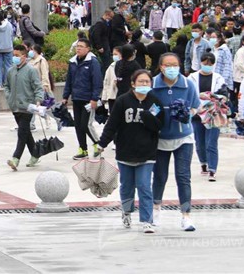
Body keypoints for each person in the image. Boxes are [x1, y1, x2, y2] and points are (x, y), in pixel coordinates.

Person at [96, 70, 164, 234]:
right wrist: (102, 143)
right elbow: (112, 124)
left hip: (147, 152)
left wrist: (147, 116)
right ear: (133, 84)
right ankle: (126, 212)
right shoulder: (122, 101)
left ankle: (147, 220)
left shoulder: (155, 102)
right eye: (141, 81)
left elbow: (159, 125)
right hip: (125, 151)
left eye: (147, 82)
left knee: (144, 186)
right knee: (127, 186)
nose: (144, 84)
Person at [152, 53, 200, 231]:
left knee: (183, 176)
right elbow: (146, 106)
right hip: (160, 138)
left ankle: (186, 215)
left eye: (175, 65)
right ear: (161, 67)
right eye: (167, 65)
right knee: (159, 176)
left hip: (183, 138)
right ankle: (155, 210)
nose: (171, 68)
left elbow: (195, 106)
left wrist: (187, 114)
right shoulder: (153, 84)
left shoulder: (188, 84)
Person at [4, 43, 44, 170]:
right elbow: (6, 86)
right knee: (26, 133)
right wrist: (9, 97)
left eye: (17, 55)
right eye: (14, 55)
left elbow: (38, 87)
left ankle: (15, 159)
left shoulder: (31, 70)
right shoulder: (10, 71)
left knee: (21, 133)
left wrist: (38, 100)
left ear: (24, 57)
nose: (14, 58)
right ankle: (35, 154)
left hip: (27, 107)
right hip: (15, 107)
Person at [188, 53, 227, 182]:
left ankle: (212, 169)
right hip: (198, 114)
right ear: (201, 63)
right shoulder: (192, 78)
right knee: (200, 142)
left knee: (211, 142)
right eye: (205, 64)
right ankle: (203, 163)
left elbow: (224, 94)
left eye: (210, 64)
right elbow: (188, 94)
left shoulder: (218, 78)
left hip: (213, 114)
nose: (207, 66)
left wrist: (213, 97)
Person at [62, 39, 104, 160]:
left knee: (85, 125)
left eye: (81, 46)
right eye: (77, 46)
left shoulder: (93, 62)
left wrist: (94, 98)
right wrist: (65, 96)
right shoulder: (73, 62)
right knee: (78, 125)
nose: (78, 48)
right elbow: (69, 80)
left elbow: (97, 82)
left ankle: (98, 144)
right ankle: (83, 149)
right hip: (76, 98)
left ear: (88, 49)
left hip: (88, 100)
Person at [0, 12, 15, 88]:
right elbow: (12, 36)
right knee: (8, 66)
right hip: (8, 48)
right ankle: (6, 83)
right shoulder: (9, 25)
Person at [101, 47, 121, 113]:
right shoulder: (111, 66)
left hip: (121, 96)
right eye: (113, 54)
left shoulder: (126, 66)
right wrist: (104, 97)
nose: (114, 56)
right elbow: (106, 82)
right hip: (111, 96)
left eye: (116, 54)